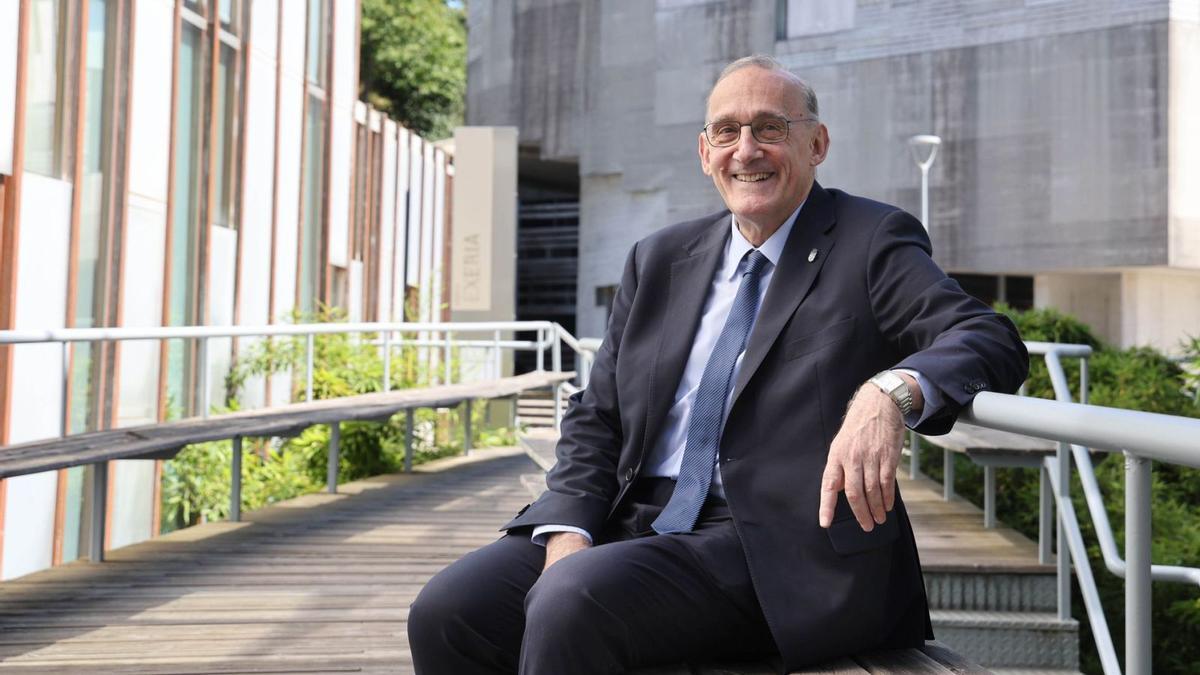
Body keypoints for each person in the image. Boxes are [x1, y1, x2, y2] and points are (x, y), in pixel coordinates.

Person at [408, 54, 1028, 674]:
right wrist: (569, 529)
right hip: (636, 520)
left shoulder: (871, 241)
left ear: (817, 143)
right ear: (705, 152)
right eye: (727, 132)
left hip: (773, 547)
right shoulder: (657, 260)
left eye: (770, 128)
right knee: (448, 611)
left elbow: (986, 336)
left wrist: (890, 392)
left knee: (573, 601)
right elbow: (597, 416)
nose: (746, 149)